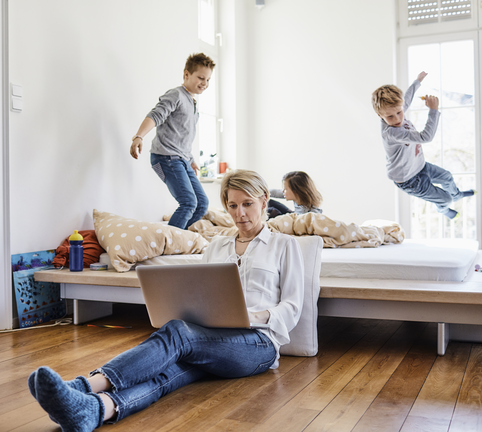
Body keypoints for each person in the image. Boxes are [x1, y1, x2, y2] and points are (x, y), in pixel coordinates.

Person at [27, 169, 305, 431]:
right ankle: (95, 410)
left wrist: (253, 317)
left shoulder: (285, 245)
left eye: (247, 204)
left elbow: (292, 307)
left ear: (264, 200)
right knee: (169, 371)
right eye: (232, 206)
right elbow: (203, 293)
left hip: (258, 344)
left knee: (178, 333)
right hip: (211, 338)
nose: (239, 213)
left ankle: (83, 386)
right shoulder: (217, 245)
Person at [371, 71, 474, 220]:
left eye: (399, 112)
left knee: (447, 177)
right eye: (390, 116)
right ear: (380, 115)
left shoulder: (396, 111)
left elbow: (406, 99)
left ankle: (457, 195)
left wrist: (418, 81)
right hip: (409, 180)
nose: (398, 119)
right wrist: (433, 110)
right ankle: (443, 209)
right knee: (446, 200)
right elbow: (425, 137)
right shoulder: (392, 133)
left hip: (419, 165)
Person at [129, 53, 215, 229]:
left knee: (201, 204)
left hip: (182, 159)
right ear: (186, 74)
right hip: (165, 157)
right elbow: (156, 115)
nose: (205, 83)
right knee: (189, 202)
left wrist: (190, 159)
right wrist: (139, 136)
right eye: (201, 78)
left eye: (208, 80)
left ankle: (179, 235)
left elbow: (182, 135)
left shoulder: (192, 103)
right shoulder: (176, 95)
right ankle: (169, 240)